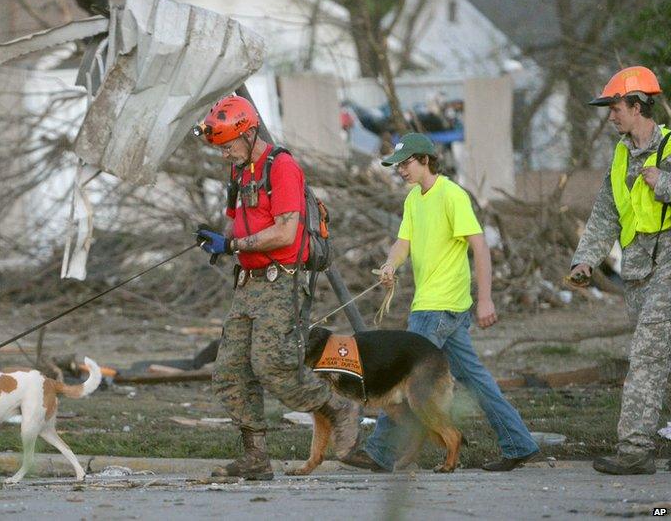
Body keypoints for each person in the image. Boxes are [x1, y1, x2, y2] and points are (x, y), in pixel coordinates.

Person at [343, 132, 540, 472]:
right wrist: (391, 264)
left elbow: (479, 246)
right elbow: (402, 243)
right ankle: (519, 442)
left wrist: (486, 299)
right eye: (397, 165)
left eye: (405, 163)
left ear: (424, 160)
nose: (401, 170)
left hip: (439, 307)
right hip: (436, 308)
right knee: (475, 379)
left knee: (401, 376)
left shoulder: (452, 195)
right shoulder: (413, 200)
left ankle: (379, 453)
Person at [194, 95, 360, 480]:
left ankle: (338, 407)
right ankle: (255, 458)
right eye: (220, 147)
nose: (225, 154)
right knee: (230, 372)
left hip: (279, 282)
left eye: (229, 145)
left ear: (250, 133)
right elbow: (237, 222)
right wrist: (217, 240)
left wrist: (233, 245)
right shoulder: (240, 170)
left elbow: (286, 232)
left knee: (273, 367)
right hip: (247, 285)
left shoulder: (282, 168)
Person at [569, 66, 671, 475]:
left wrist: (662, 183)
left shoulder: (670, 147)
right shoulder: (621, 155)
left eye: (616, 107)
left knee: (646, 355)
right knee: (663, 360)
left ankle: (634, 450)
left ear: (638, 105)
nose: (611, 115)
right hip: (637, 271)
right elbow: (605, 212)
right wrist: (585, 259)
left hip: (668, 264)